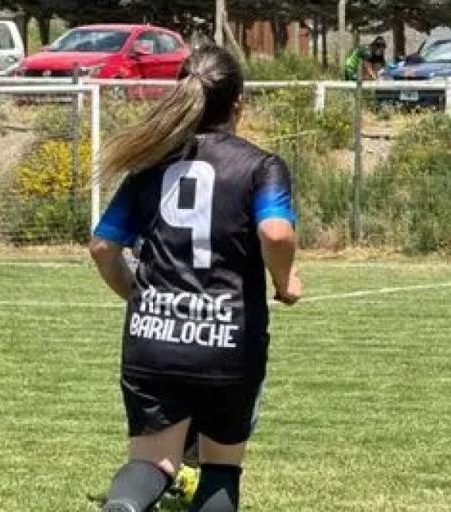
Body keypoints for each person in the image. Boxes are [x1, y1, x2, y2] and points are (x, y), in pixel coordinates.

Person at [90, 44, 301, 512]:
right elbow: (276, 232)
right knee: (220, 469)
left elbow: (103, 247)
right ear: (239, 102)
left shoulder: (150, 165)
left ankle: (121, 508)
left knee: (153, 463)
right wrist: (285, 282)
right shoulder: (261, 166)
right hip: (228, 339)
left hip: (153, 336)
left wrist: (138, 295)